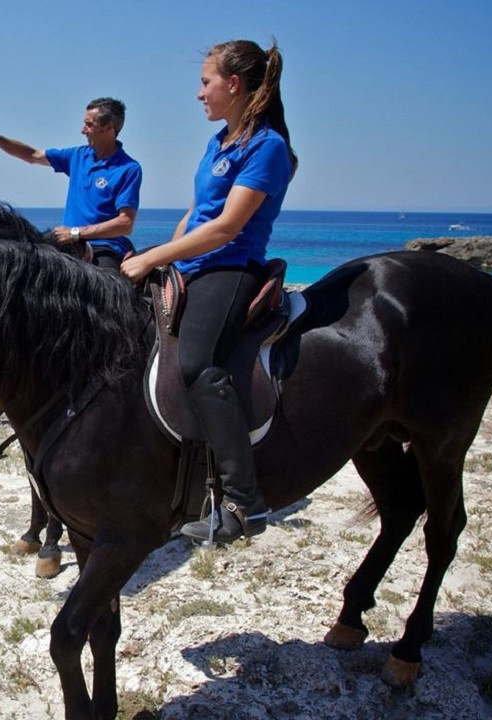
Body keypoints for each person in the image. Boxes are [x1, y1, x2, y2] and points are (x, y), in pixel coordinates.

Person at [121, 39, 297, 544]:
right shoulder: (218, 142)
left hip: (231, 267)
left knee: (197, 364)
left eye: (206, 82)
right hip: (191, 263)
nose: (200, 93)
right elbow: (196, 212)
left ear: (233, 85)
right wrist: (164, 256)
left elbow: (225, 227)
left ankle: (245, 500)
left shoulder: (267, 147)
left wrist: (152, 258)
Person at [0, 98, 142, 269]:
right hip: (66, 241)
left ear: (108, 127)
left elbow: (125, 223)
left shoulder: (128, 168)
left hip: (105, 248)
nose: (82, 130)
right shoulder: (77, 156)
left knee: (105, 292)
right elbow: (32, 155)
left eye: (89, 124)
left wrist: (76, 232)